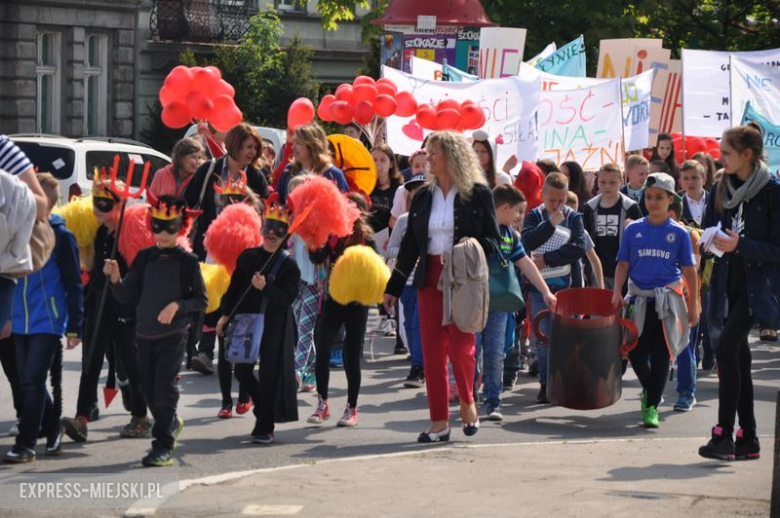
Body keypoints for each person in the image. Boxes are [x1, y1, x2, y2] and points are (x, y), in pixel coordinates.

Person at [383, 131, 501, 443]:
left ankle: (467, 400)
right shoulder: (422, 195)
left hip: (463, 278)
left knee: (462, 347)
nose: (428, 158)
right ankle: (439, 422)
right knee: (433, 352)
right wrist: (393, 286)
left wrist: (470, 247)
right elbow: (410, 245)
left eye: (434, 153)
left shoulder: (478, 193)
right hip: (429, 276)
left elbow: (495, 239)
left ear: (452, 155)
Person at [104, 196, 207, 466]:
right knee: (147, 390)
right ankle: (170, 421)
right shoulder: (144, 258)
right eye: (158, 226)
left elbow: (201, 301)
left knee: (164, 388)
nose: (163, 233)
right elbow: (126, 294)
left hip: (173, 336)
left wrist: (177, 305)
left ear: (181, 227)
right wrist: (115, 278)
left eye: (169, 227)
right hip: (144, 334)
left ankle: (162, 444)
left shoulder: (188, 262)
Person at [698, 124, 780, 461]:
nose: (721, 158)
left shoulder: (773, 191)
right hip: (727, 281)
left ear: (747, 154)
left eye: (727, 153)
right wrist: (705, 242)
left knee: (727, 348)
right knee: (738, 358)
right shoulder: (722, 186)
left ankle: (723, 436)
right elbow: (710, 228)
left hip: (759, 287)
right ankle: (748, 438)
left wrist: (739, 245)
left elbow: (776, 249)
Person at [4, 174, 83, 463]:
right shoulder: (16, 231)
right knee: (27, 380)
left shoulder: (62, 237)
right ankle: (53, 427)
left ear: (47, 203)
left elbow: (74, 284)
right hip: (19, 320)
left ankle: (26, 445)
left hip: (47, 321)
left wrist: (75, 327)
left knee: (31, 381)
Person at [62, 176, 145, 443]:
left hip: (122, 305)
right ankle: (82, 417)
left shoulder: (128, 232)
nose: (97, 208)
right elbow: (92, 266)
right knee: (92, 360)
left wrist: (118, 277)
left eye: (104, 203)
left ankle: (142, 416)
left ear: (118, 205)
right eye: (95, 202)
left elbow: (137, 274)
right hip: (98, 303)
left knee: (129, 361)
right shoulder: (99, 233)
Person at [612, 172, 699, 428]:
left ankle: (651, 406)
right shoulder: (633, 230)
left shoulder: (680, 234)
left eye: (659, 197)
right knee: (635, 353)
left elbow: (689, 271)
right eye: (649, 197)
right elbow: (623, 263)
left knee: (662, 354)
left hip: (668, 302)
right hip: (638, 300)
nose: (653, 202)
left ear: (670, 199)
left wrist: (693, 305)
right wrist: (617, 290)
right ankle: (652, 392)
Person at [216, 198, 301, 444]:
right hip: (246, 321)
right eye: (267, 229)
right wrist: (224, 315)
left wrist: (265, 288)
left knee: (269, 374)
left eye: (277, 231)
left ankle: (265, 425)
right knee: (242, 370)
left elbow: (286, 299)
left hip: (274, 324)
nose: (271, 235)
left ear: (285, 235)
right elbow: (234, 289)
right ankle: (263, 405)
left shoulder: (289, 266)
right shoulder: (248, 257)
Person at [478, 184, 556, 421]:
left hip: (499, 304)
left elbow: (526, 263)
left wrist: (545, 291)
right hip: (474, 301)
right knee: (470, 353)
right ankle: (467, 399)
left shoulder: (510, 235)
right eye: (518, 212)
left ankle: (493, 402)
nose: (520, 217)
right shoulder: (478, 228)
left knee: (495, 352)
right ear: (504, 208)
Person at [307, 193, 374, 428]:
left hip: (357, 301)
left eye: (351, 208)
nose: (346, 211)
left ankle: (351, 408)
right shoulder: (332, 234)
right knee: (322, 347)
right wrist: (313, 239)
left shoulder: (366, 238)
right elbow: (317, 257)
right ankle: (322, 403)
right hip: (333, 298)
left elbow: (376, 269)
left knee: (351, 355)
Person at [522, 172, 587, 403]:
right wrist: (549, 224)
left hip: (568, 286)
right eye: (552, 201)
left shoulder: (574, 217)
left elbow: (578, 248)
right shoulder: (533, 216)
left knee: (568, 335)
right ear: (543, 195)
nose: (558, 205)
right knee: (543, 336)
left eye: (562, 200)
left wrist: (548, 259)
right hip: (539, 288)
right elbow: (528, 242)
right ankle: (545, 382)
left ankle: (567, 381)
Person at [185, 123, 270, 261]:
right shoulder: (209, 169)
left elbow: (264, 212)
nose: (253, 152)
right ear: (235, 145)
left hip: (242, 252)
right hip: (206, 248)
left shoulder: (257, 177)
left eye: (255, 148)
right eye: (249, 147)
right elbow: (187, 202)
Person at [386, 173, 428, 388]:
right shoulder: (403, 220)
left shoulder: (434, 218)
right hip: (406, 280)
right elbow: (390, 248)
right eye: (413, 189)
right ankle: (417, 359)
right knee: (409, 325)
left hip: (428, 279)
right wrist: (408, 252)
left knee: (418, 324)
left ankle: (419, 367)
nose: (417, 192)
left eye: (422, 187)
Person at [667, 195, 702, 412]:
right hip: (660, 299)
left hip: (685, 299)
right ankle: (653, 391)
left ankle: (687, 392)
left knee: (684, 347)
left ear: (670, 213)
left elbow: (692, 271)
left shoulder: (690, 235)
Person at [583, 163, 643, 290]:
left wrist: (633, 229)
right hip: (597, 270)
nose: (607, 186)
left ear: (621, 182)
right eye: (603, 182)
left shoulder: (630, 207)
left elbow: (641, 238)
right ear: (597, 181)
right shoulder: (590, 207)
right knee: (598, 308)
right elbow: (585, 239)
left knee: (622, 309)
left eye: (612, 182)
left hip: (624, 270)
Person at [288, 175, 321, 392]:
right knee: (299, 326)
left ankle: (297, 372)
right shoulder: (288, 219)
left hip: (314, 281)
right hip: (294, 281)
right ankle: (311, 372)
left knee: (305, 327)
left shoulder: (318, 220)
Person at [276, 123, 349, 204]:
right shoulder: (289, 170)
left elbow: (343, 211)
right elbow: (278, 204)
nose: (293, 147)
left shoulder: (334, 174)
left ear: (312, 145)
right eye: (294, 142)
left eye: (298, 143)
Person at [566, 191, 604, 289]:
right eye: (567, 213)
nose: (571, 217)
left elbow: (594, 260)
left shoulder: (582, 233)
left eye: (574, 213)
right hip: (559, 286)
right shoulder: (553, 231)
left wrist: (601, 286)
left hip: (578, 285)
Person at [369, 143, 403, 233]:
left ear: (391, 164)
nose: (378, 164)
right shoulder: (366, 187)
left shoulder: (400, 189)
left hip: (392, 240)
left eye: (383, 160)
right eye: (374, 160)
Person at [389, 149, 427, 228]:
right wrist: (405, 231)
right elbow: (393, 220)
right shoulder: (402, 190)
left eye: (425, 165)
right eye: (416, 166)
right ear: (411, 169)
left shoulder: (439, 190)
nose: (421, 169)